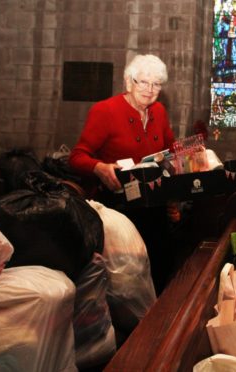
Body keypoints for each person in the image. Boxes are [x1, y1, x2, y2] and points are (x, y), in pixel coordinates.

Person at [69, 54, 175, 295]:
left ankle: (155, 322)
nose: (150, 90)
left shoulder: (159, 111)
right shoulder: (105, 110)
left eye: (156, 84)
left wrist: (191, 157)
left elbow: (170, 151)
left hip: (154, 207)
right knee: (126, 282)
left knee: (159, 267)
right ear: (129, 82)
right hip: (119, 211)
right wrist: (99, 167)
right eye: (143, 82)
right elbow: (76, 157)